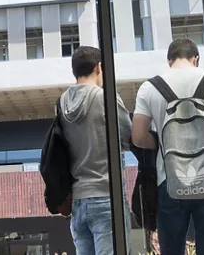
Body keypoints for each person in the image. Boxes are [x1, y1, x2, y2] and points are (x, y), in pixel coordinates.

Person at [131, 39, 204, 255]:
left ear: (169, 61)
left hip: (169, 183)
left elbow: (138, 137)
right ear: (196, 59)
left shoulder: (149, 87)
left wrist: (159, 143)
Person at [60, 46, 132, 255]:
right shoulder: (106, 98)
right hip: (105, 196)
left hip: (77, 201)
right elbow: (127, 136)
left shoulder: (62, 103)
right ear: (99, 67)